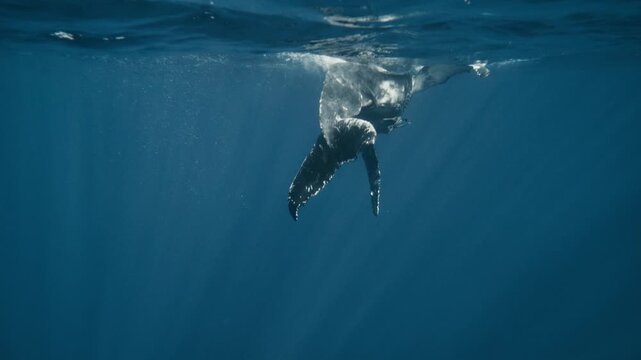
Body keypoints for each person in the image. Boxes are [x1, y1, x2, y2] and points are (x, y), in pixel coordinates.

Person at [288, 60, 489, 220]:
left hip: (370, 96)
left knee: (346, 133)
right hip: (366, 94)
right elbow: (431, 76)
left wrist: (468, 67)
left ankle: (297, 196)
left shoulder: (398, 89)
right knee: (347, 133)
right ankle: (297, 196)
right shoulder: (399, 86)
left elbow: (431, 77)